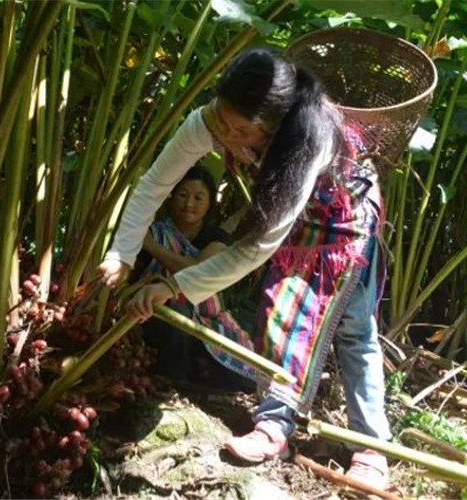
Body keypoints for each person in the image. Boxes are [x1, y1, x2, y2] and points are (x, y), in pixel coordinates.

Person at [98, 47, 392, 488]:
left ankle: (371, 447)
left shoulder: (307, 139)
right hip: (290, 216)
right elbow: (154, 185)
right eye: (223, 121)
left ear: (273, 124)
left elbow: (256, 248)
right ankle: (275, 426)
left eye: (242, 131)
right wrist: (121, 253)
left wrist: (175, 286)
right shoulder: (214, 120)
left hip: (345, 215)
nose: (227, 136)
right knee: (280, 311)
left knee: (354, 329)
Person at [134, 166, 254, 391]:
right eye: (182, 195)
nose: (189, 204)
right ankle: (174, 380)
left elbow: (197, 271)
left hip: (208, 319)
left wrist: (151, 246)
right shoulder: (157, 230)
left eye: (198, 197)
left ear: (209, 204)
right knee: (177, 313)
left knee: (243, 378)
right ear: (171, 196)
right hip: (160, 313)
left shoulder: (216, 237)